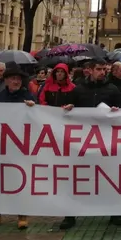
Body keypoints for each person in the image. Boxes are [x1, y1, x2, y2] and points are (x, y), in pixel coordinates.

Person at [67, 58, 121, 226]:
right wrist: (68, 109)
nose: (102, 72)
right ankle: (70, 214)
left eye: (104, 69)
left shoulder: (112, 89)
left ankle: (114, 213)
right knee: (79, 178)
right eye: (99, 69)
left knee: (109, 177)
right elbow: (68, 111)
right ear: (90, 70)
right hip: (83, 142)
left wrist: (117, 110)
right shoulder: (78, 90)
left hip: (105, 141)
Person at [0, 64, 36, 230]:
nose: (16, 81)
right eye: (12, 79)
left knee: (20, 181)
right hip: (1, 147)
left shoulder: (29, 96)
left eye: (18, 79)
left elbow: (39, 117)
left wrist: (33, 108)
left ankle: (22, 216)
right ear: (6, 80)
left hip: (21, 147)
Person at [38, 63, 77, 230]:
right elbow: (41, 103)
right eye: (57, 72)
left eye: (62, 72)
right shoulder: (47, 87)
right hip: (51, 131)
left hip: (67, 133)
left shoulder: (73, 88)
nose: (60, 74)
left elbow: (77, 104)